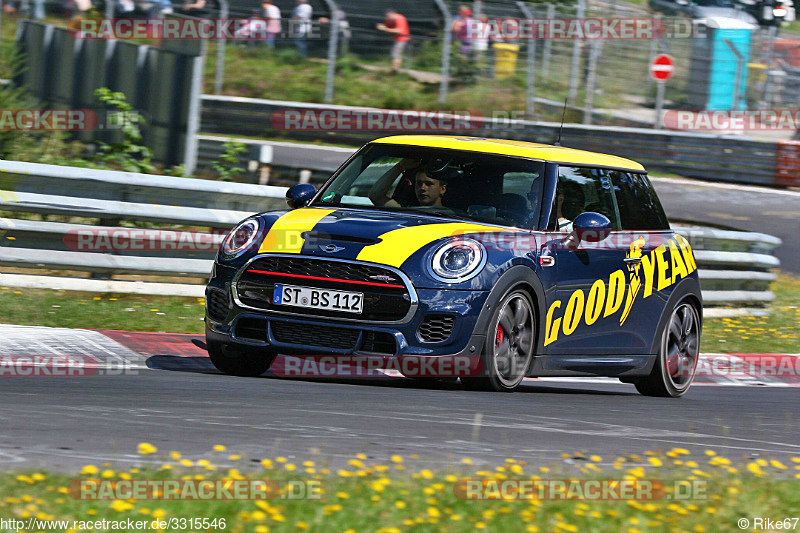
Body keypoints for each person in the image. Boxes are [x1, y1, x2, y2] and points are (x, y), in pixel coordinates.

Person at [369, 159, 448, 208]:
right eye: (419, 183)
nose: (422, 188)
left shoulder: (454, 216)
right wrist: (400, 166)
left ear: (442, 189)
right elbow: (375, 196)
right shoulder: (405, 212)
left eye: (428, 184)